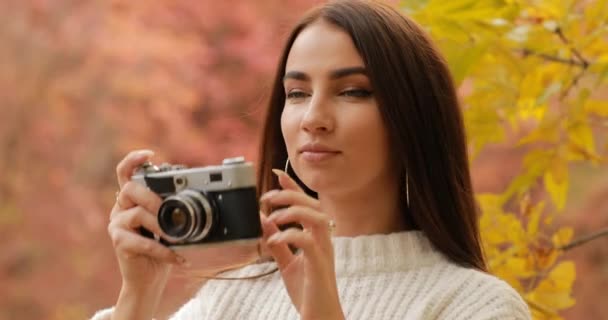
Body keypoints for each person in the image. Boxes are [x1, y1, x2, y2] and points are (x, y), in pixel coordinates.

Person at [91, 1, 531, 319]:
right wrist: (138, 296)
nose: (313, 118)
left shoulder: (474, 306)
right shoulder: (228, 302)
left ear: (412, 117)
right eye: (297, 93)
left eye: (353, 91)